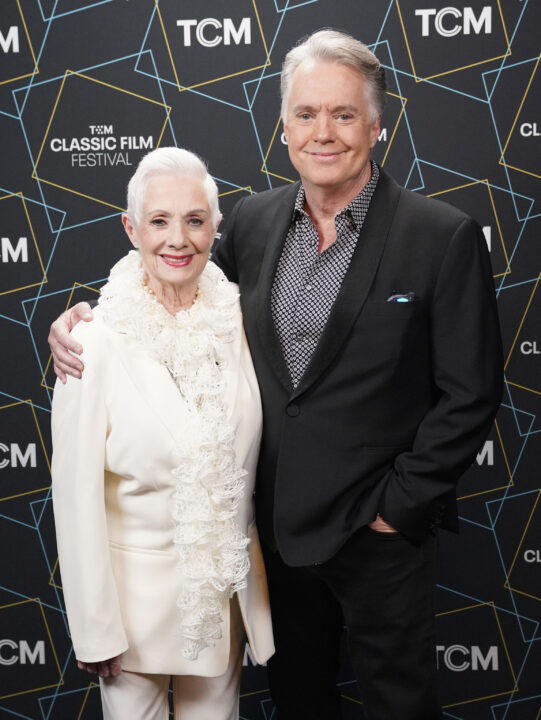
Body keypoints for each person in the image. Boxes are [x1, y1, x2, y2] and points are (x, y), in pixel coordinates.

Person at [49, 30, 503, 720]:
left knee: (399, 707)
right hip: (274, 536)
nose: (323, 132)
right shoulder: (253, 225)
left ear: (376, 127)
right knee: (298, 705)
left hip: (377, 535)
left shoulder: (439, 235)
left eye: (343, 115)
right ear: (283, 126)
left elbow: (470, 392)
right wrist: (83, 319)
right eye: (305, 114)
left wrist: (396, 510)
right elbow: (171, 286)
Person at [50, 147, 274, 720]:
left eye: (195, 220)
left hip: (222, 605)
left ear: (215, 228)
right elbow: (75, 498)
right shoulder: (91, 342)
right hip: (133, 618)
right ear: (131, 228)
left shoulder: (238, 323)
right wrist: (96, 629)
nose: (179, 239)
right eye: (159, 221)